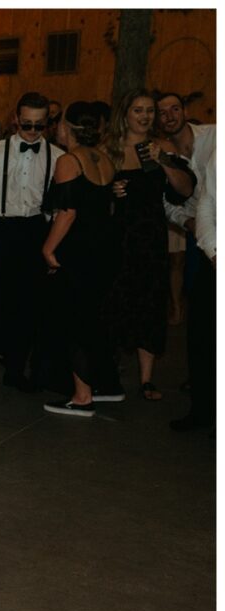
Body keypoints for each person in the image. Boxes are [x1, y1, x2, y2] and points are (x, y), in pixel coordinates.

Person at [0, 91, 65, 402]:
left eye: (38, 126)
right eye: (27, 125)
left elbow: (58, 207)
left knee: (27, 311)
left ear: (47, 123)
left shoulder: (58, 157)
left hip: (35, 233)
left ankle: (15, 373)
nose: (32, 132)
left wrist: (51, 244)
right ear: (16, 119)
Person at [102, 88, 193, 402]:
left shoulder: (162, 147)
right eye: (138, 110)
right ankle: (108, 373)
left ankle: (145, 380)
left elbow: (184, 190)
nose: (145, 117)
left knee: (150, 303)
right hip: (117, 238)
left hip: (151, 238)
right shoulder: (109, 149)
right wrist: (110, 192)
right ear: (125, 114)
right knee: (115, 302)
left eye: (149, 111)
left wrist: (164, 161)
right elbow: (91, 197)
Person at [38, 102, 118, 417]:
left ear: (67, 128)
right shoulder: (104, 159)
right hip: (104, 248)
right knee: (94, 319)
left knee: (73, 321)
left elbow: (67, 212)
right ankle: (107, 384)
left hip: (78, 250)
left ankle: (82, 396)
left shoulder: (69, 161)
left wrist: (48, 248)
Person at [156, 92, 216, 327]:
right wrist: (187, 221)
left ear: (186, 112)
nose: (169, 116)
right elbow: (164, 202)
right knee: (200, 299)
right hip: (195, 232)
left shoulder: (215, 134)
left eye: (174, 109)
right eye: (162, 112)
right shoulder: (160, 154)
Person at [170, 146, 215, 431]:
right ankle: (203, 412)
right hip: (214, 261)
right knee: (203, 339)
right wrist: (214, 252)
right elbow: (207, 204)